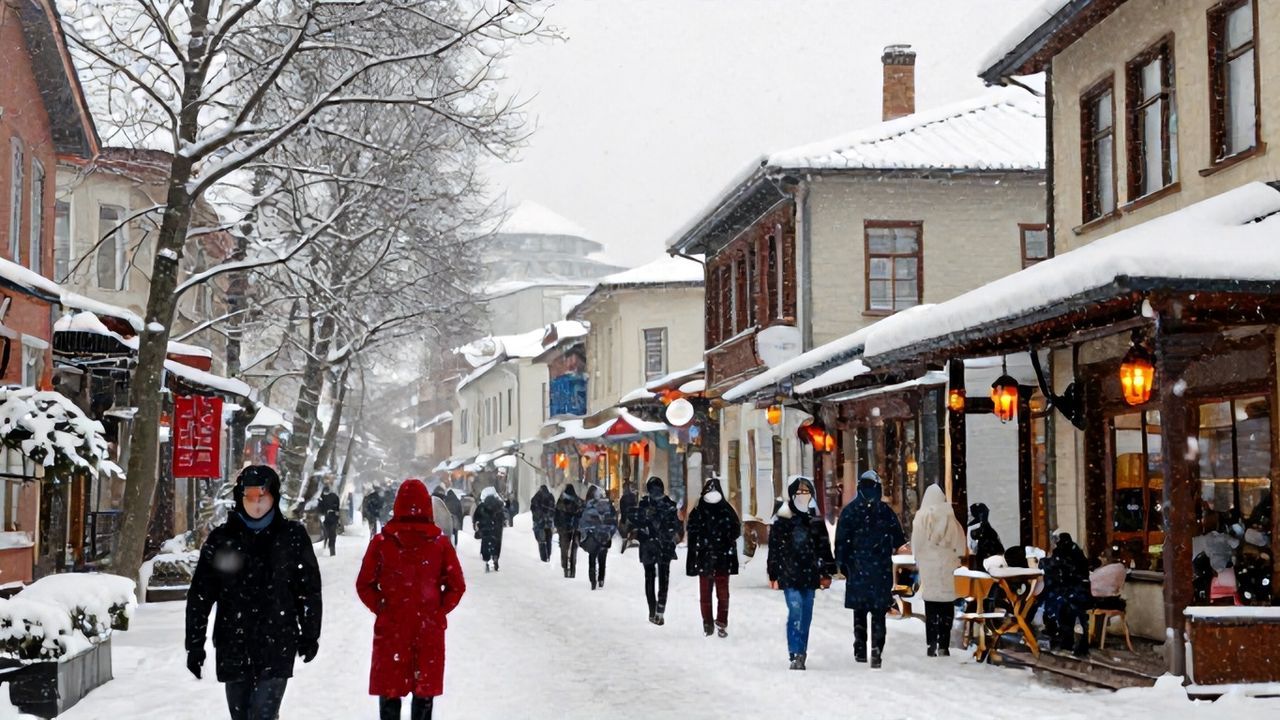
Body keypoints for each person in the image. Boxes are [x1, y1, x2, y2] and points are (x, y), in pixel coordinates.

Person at [186, 465, 322, 720]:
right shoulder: (222, 539)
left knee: (263, 714)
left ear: (274, 497)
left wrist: (310, 634)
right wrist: (194, 645)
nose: (256, 504)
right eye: (250, 497)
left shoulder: (292, 536)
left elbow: (308, 591)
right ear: (240, 497)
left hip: (277, 641)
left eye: (263, 497)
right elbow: (201, 595)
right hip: (233, 642)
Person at [357, 478, 465, 720]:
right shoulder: (439, 544)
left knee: (390, 697)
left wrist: (382, 607)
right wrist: (438, 610)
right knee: (423, 699)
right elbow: (457, 585)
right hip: (428, 632)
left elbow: (364, 584)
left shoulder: (383, 543)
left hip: (391, 630)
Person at [835, 471, 906, 669]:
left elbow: (841, 542)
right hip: (880, 569)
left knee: (859, 611)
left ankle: (860, 647)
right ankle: (877, 649)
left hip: (857, 569)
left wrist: (843, 564)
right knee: (878, 613)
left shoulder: (850, 511)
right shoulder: (884, 511)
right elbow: (899, 538)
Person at [767, 476, 836, 671]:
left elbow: (823, 547)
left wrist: (828, 571)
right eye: (800, 492)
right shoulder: (783, 519)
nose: (803, 496)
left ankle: (801, 651)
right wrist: (773, 573)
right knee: (795, 611)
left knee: (806, 615)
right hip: (789, 574)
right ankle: (795, 652)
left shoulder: (814, 519)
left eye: (807, 492)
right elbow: (775, 548)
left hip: (810, 575)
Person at [910, 484, 966, 657]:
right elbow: (960, 544)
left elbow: (916, 544)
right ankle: (944, 644)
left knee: (931, 606)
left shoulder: (921, 518)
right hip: (947, 567)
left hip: (929, 567)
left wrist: (919, 557)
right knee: (946, 605)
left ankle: (931, 644)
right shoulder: (950, 517)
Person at [685, 475, 740, 637]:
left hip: (710, 558)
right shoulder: (724, 509)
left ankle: (711, 623)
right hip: (718, 557)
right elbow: (735, 530)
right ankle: (715, 622)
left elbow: (692, 533)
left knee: (708, 593)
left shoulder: (700, 510)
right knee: (719, 593)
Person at [631, 476, 680, 625]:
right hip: (664, 545)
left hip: (648, 545)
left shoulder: (644, 504)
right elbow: (675, 526)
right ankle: (660, 609)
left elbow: (637, 522)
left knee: (649, 578)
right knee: (664, 578)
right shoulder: (669, 505)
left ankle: (652, 610)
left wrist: (644, 530)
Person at [1040, 532, 1092, 656]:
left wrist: (1043, 562)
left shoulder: (1063, 554)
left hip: (1070, 592)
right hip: (1080, 591)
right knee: (1073, 614)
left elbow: (1053, 566)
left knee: (1057, 607)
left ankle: (1064, 639)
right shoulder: (1076, 552)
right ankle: (1072, 642)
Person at [578, 485, 618, 590]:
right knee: (602, 558)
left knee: (592, 556)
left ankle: (592, 579)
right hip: (605, 536)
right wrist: (610, 533)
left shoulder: (589, 506)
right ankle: (601, 578)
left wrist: (586, 532)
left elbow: (583, 521)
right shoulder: (609, 506)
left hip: (593, 536)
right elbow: (614, 521)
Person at [473, 486, 507, 572]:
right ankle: (495, 558)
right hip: (497, 530)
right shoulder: (499, 504)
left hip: (485, 529)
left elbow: (476, 517)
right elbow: (503, 516)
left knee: (486, 544)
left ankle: (487, 561)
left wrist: (477, 526)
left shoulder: (481, 506)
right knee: (496, 544)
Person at [555, 484, 584, 578]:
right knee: (573, 550)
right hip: (575, 529)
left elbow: (556, 515)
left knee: (564, 548)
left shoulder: (560, 501)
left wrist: (557, 526)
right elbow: (582, 514)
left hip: (563, 529)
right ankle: (572, 569)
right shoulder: (578, 501)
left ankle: (565, 568)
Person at [967, 502, 1004, 567]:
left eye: (970, 513)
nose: (968, 515)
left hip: (981, 563)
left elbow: (972, 550)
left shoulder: (971, 529)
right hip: (996, 561)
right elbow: (1000, 548)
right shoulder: (990, 529)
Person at [530, 484, 556, 563]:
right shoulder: (551, 497)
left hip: (539, 523)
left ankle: (543, 557)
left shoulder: (536, 498)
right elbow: (553, 509)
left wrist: (539, 518)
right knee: (549, 540)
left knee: (541, 540)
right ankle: (548, 555)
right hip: (548, 523)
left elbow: (533, 509)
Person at [318, 484, 341, 557]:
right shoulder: (333, 497)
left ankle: (331, 549)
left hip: (329, 518)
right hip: (330, 518)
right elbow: (337, 507)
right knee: (330, 534)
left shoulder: (323, 498)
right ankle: (330, 548)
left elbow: (320, 509)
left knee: (330, 533)